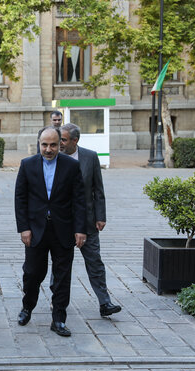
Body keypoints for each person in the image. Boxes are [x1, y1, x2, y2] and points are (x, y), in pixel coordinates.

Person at [14, 126, 86, 337]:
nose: (48, 149)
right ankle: (27, 307)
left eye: (53, 145)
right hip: (35, 230)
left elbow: (79, 200)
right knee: (32, 273)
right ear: (39, 143)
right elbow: (20, 198)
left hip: (63, 230)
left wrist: (80, 229)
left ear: (60, 144)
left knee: (63, 277)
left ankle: (59, 319)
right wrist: (24, 228)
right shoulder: (27, 165)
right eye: (44, 144)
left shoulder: (71, 166)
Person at [59, 123, 121, 317]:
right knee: (61, 264)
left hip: (87, 221)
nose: (59, 143)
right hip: (62, 221)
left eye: (63, 139)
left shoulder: (90, 156)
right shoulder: (54, 157)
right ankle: (59, 301)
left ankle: (105, 302)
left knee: (94, 262)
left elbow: (98, 189)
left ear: (75, 141)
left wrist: (100, 216)